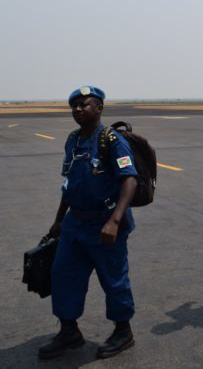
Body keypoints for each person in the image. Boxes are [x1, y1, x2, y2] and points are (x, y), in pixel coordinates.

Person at [39, 86, 138, 360]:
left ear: (100, 108)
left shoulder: (111, 139)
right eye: (75, 106)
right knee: (63, 275)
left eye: (85, 104)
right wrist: (58, 221)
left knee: (114, 280)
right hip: (75, 224)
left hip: (104, 223)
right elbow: (68, 183)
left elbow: (130, 179)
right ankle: (69, 331)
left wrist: (115, 221)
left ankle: (123, 331)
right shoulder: (72, 140)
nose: (79, 109)